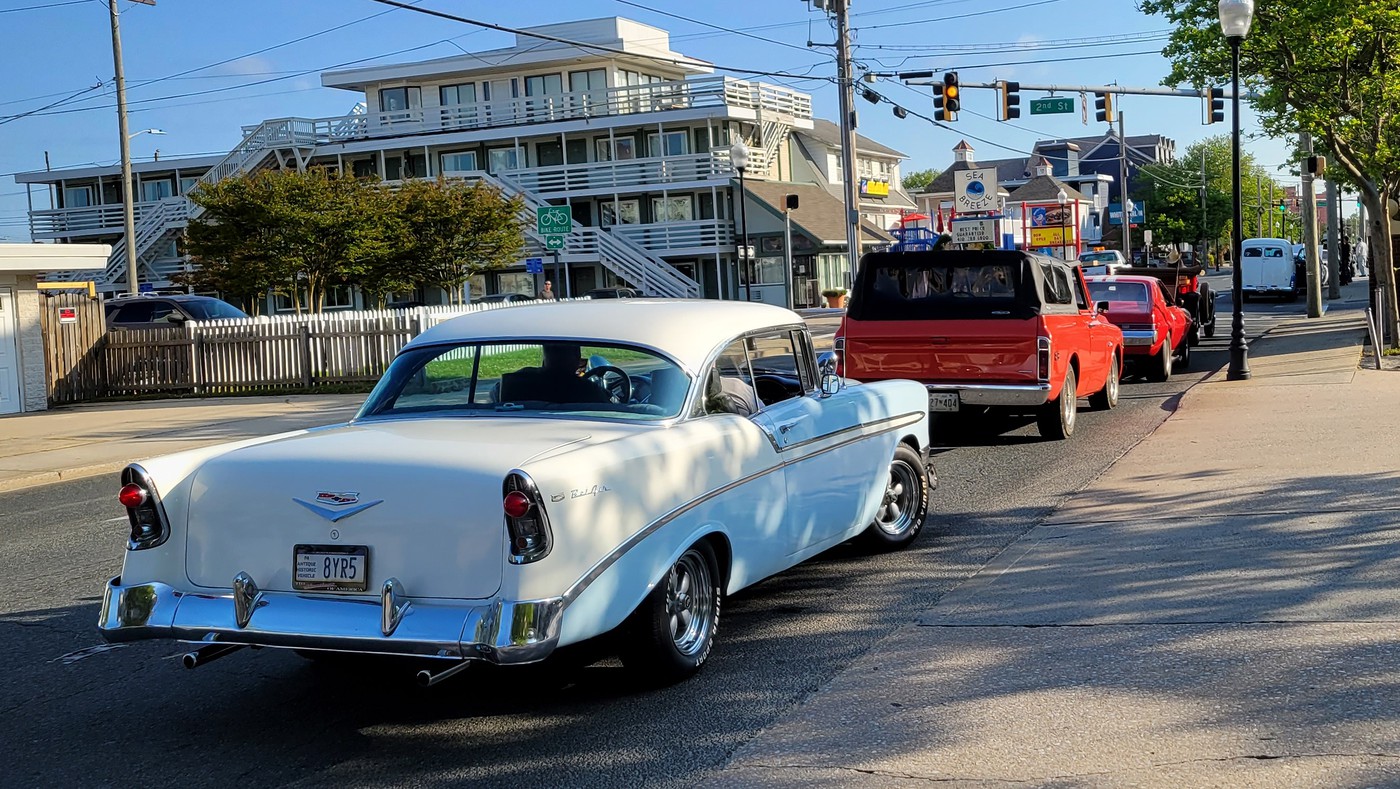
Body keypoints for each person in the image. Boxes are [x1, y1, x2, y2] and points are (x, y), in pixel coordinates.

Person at [499, 342, 610, 404]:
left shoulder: (519, 381)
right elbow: (610, 411)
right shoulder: (588, 390)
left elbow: (496, 395)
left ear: (545, 358)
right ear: (577, 357)